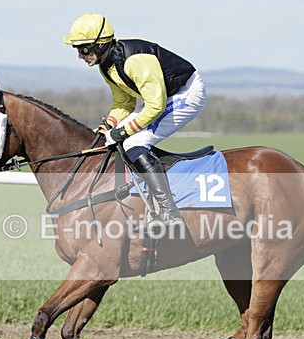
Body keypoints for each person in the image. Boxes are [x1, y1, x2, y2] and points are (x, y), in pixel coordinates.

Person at [63, 12, 207, 229]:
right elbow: (124, 103)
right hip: (160, 98)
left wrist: (121, 133)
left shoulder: (134, 61)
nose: (80, 56)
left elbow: (155, 107)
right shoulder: (106, 66)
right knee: (113, 138)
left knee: (132, 142)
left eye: (83, 49)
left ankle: (170, 212)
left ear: (101, 45)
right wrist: (108, 126)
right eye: (77, 49)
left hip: (186, 93)